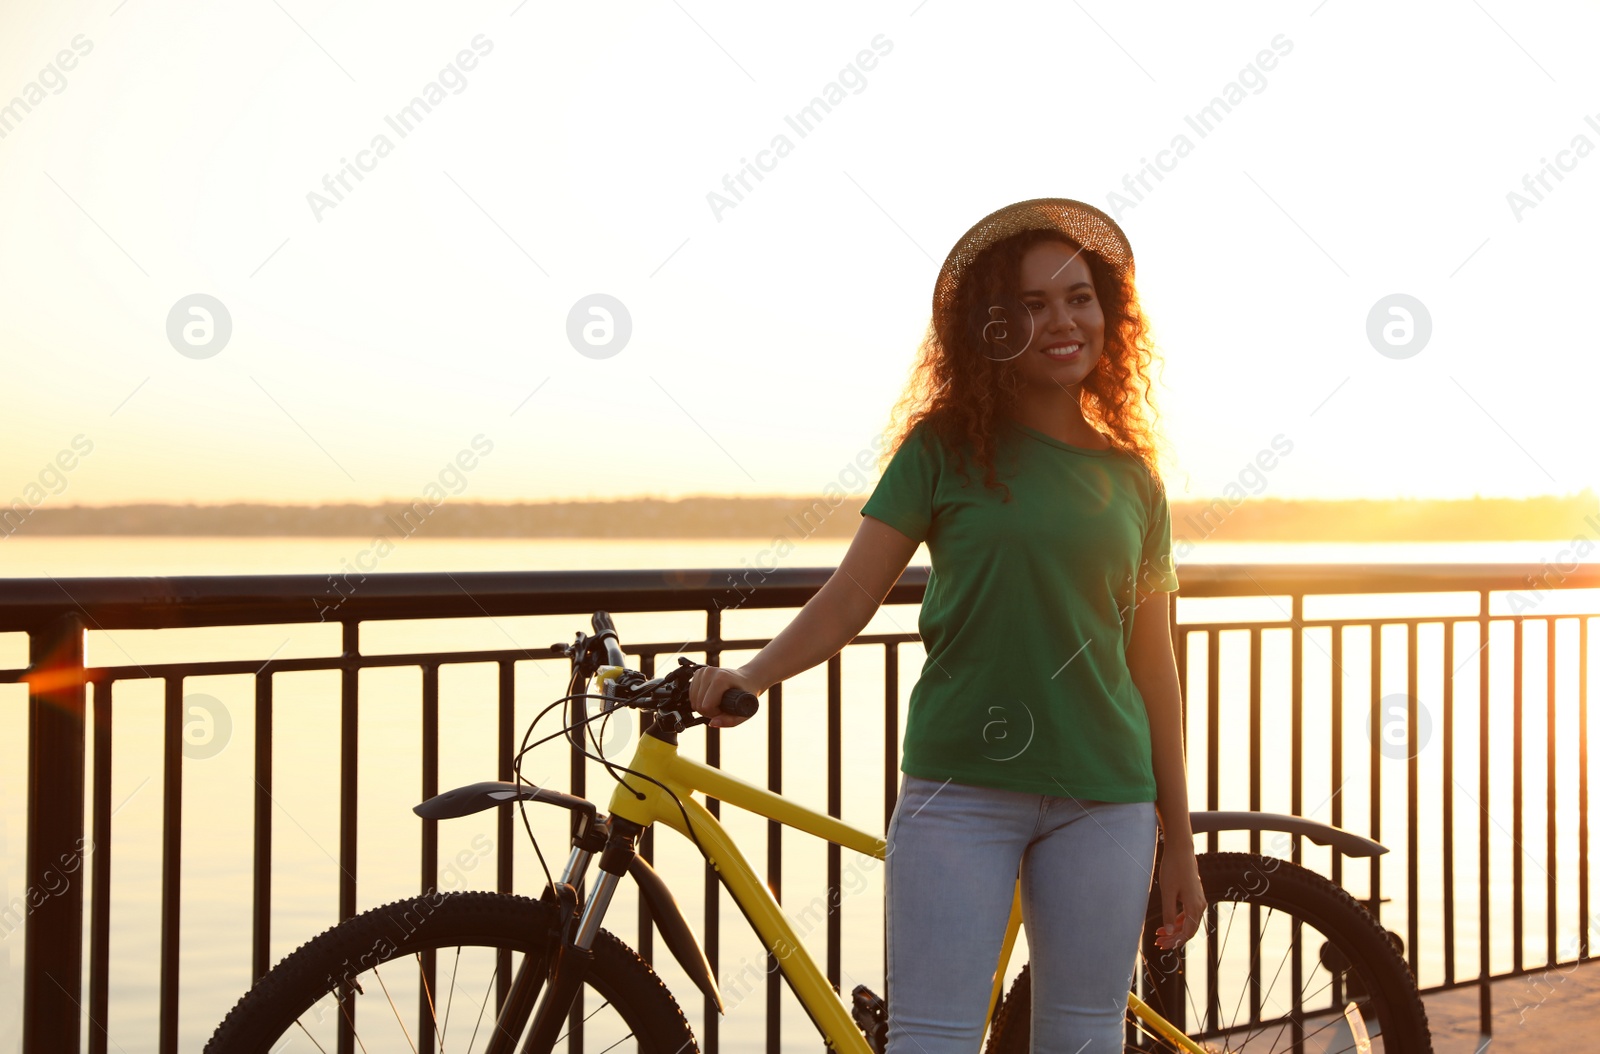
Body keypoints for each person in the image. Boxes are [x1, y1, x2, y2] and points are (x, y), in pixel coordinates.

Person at [689, 198, 1205, 1053]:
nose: (1063, 320)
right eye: (1033, 305)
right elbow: (850, 598)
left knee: (1083, 1038)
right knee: (932, 1040)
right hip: (958, 793)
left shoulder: (1133, 481)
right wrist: (752, 674)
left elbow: (1155, 669)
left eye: (1079, 297)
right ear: (994, 328)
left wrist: (1178, 842)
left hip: (1105, 798)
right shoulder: (942, 451)